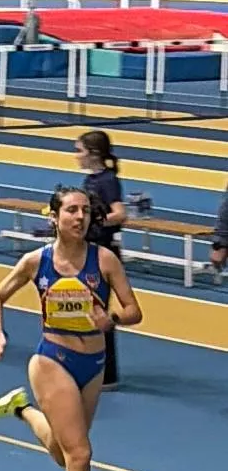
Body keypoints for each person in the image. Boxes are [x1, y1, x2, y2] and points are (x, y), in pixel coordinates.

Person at [0, 185, 142, 471]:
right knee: (80, 456)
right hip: (52, 360)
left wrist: (113, 321)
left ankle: (21, 408)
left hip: (94, 363)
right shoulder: (35, 262)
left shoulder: (103, 260)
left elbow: (134, 310)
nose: (80, 217)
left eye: (85, 211)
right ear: (53, 217)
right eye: (71, 210)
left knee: (62, 451)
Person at [75, 130, 127, 390]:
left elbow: (120, 214)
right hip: (88, 251)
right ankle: (89, 366)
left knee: (98, 311)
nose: (76, 156)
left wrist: (94, 220)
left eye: (79, 150)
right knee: (83, 309)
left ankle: (107, 375)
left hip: (104, 253)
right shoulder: (89, 180)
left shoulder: (107, 180)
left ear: (93, 153)